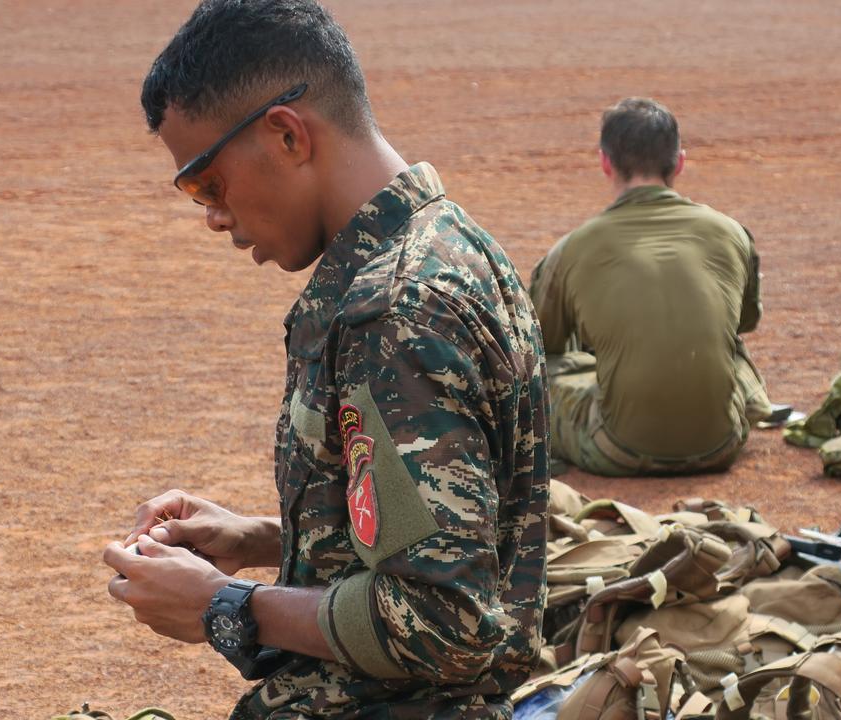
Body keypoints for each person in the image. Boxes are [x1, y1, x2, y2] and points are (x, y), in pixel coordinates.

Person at [101, 1, 550, 716]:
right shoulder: (450, 242)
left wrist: (228, 604)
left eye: (207, 183)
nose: (212, 215)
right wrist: (259, 538)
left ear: (285, 134)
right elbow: (448, 536)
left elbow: (443, 621)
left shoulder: (391, 309)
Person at [528, 98, 771, 477]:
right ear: (679, 162)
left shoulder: (573, 248)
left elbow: (541, 347)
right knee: (728, 347)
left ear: (605, 163)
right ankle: (750, 406)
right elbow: (745, 321)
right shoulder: (732, 233)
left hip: (617, 449)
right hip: (722, 444)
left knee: (541, 375)